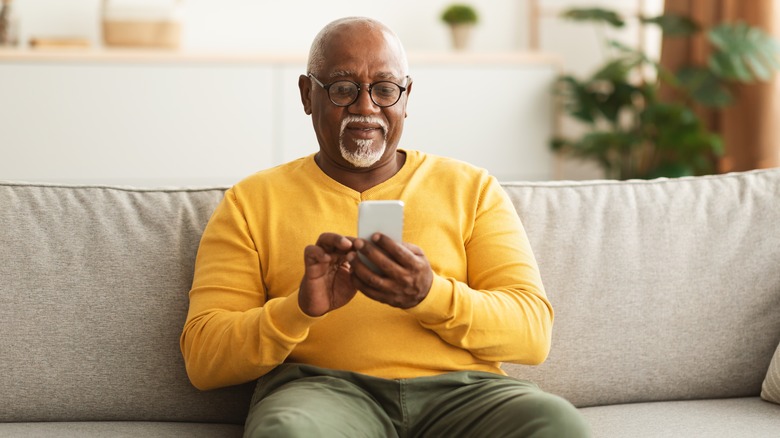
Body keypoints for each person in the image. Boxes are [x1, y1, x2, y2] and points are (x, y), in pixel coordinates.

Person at [180, 16, 590, 437]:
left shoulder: (472, 188)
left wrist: (430, 294)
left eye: (385, 88)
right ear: (307, 95)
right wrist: (298, 309)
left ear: (406, 96)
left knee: (556, 424)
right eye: (343, 88)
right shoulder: (250, 201)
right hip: (322, 394)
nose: (365, 107)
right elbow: (204, 359)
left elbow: (532, 333)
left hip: (464, 394)